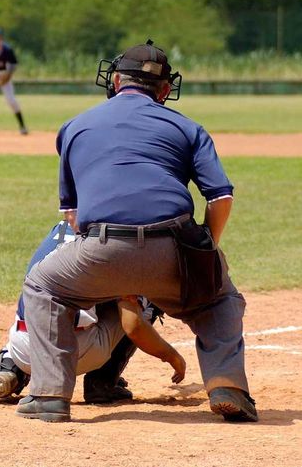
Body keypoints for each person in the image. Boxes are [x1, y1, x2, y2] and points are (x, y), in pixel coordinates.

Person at [17, 40, 256, 423]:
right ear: (165, 90)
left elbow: (72, 216)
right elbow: (220, 198)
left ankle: (48, 396)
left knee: (43, 287)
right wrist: (207, 249)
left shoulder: (75, 126)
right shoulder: (187, 127)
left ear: (113, 80)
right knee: (218, 300)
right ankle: (228, 385)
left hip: (101, 246)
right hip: (174, 250)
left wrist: (113, 275)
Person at [0, 221, 185, 404]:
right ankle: (102, 383)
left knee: (41, 303)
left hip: (22, 346)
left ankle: (7, 368)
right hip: (77, 354)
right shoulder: (111, 240)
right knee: (143, 299)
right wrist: (172, 356)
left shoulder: (60, 229)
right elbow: (132, 325)